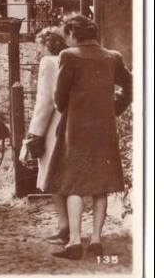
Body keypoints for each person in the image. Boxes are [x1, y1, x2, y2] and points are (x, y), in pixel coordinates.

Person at [44, 14, 133, 260]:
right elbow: (131, 86)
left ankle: (74, 241)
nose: (67, 41)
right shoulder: (113, 57)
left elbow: (59, 100)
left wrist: (68, 107)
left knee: (73, 182)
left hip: (77, 129)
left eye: (67, 36)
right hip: (104, 129)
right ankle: (95, 239)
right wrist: (115, 107)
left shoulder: (69, 56)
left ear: (73, 33)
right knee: (100, 185)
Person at [20, 27, 68, 244]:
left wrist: (34, 133)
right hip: (72, 122)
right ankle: (68, 225)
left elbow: (45, 102)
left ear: (48, 44)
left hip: (53, 124)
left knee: (52, 173)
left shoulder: (49, 63)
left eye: (39, 45)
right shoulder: (70, 58)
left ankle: (64, 225)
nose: (37, 51)